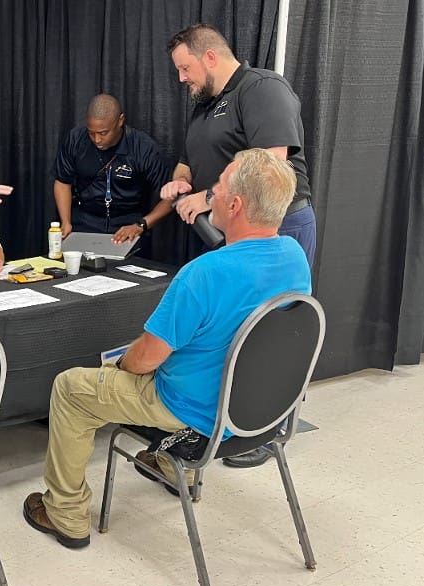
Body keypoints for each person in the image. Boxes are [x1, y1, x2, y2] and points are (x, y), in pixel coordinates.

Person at [22, 149, 311, 549]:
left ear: (235, 204)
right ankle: (172, 466)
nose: (210, 194)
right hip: (258, 411)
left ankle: (65, 513)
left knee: (72, 388)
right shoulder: (295, 256)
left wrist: (122, 363)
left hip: (191, 411)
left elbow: (144, 361)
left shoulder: (204, 273)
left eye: (218, 188)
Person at [161, 23, 317, 467]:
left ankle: (264, 430)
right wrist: (181, 180)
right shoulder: (205, 104)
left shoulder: (262, 89)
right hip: (230, 230)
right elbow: (190, 157)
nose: (181, 78)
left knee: (272, 328)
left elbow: (270, 165)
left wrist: (206, 198)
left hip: (277, 225)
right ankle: (226, 416)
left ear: (210, 57)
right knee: (230, 329)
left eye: (184, 67)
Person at [53, 94, 175, 251]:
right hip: (85, 220)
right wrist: (66, 222)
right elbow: (62, 182)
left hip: (128, 223)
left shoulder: (143, 147)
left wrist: (141, 225)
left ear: (120, 121)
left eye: (103, 133)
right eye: (91, 133)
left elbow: (171, 198)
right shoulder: (75, 139)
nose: (97, 139)